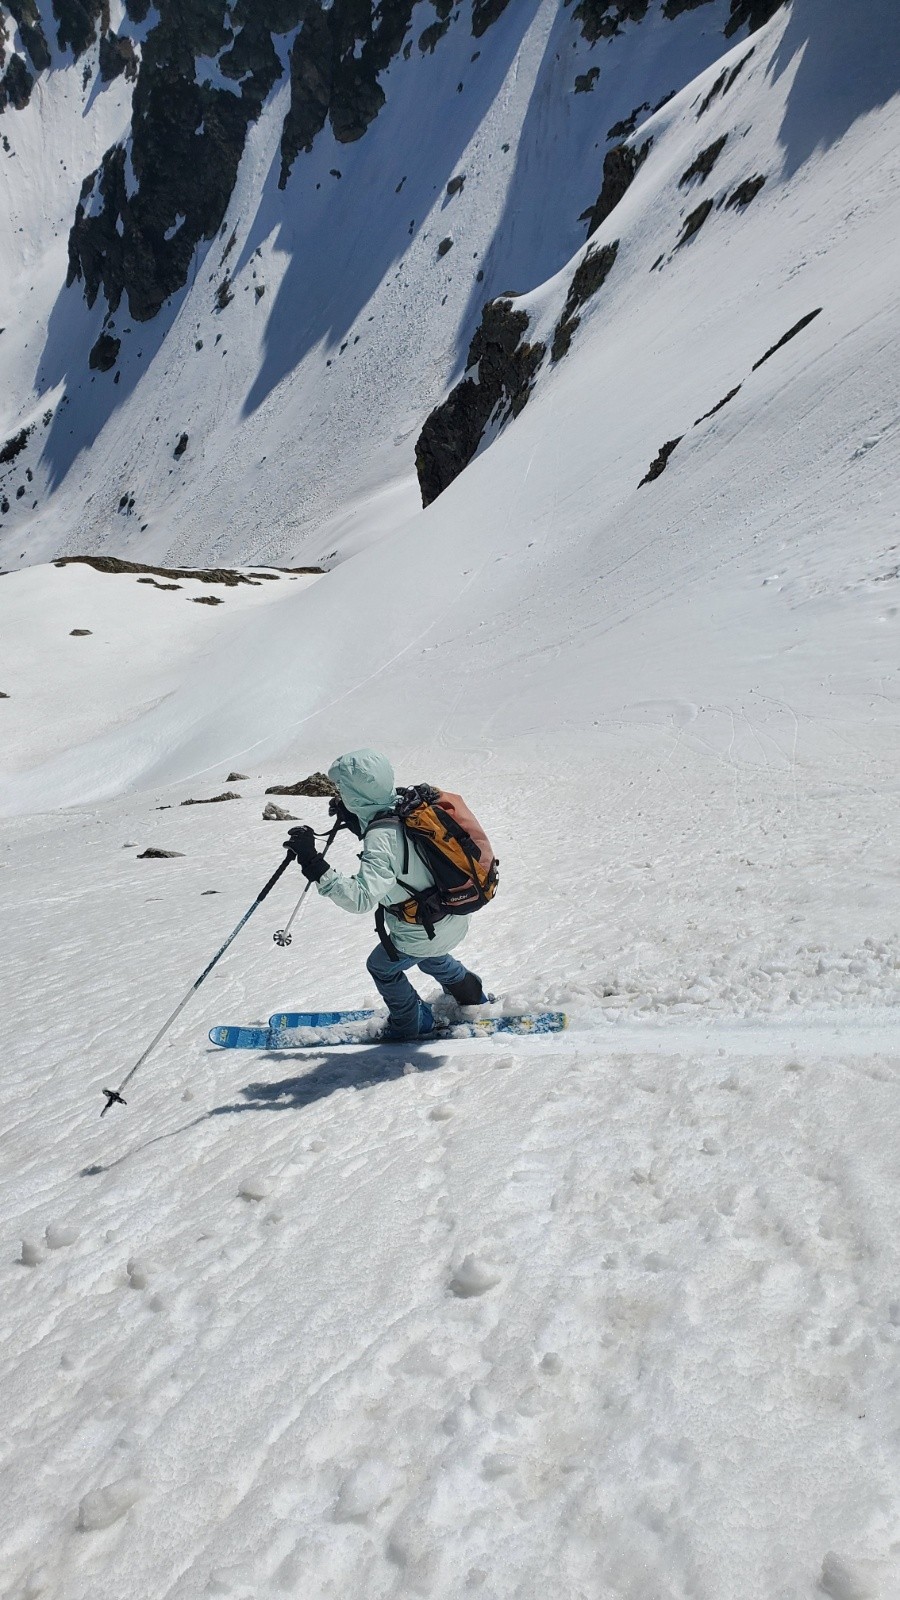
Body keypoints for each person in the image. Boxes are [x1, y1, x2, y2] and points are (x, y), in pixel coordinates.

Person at [284, 749, 489, 1039]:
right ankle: (472, 994)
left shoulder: (381, 837)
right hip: (451, 917)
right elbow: (399, 848)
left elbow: (361, 898)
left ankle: (412, 1022)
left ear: (357, 792)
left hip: (422, 930)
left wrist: (312, 862)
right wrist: (358, 818)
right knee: (431, 956)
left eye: (343, 788)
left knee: (381, 966)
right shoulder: (409, 807)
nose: (340, 793)